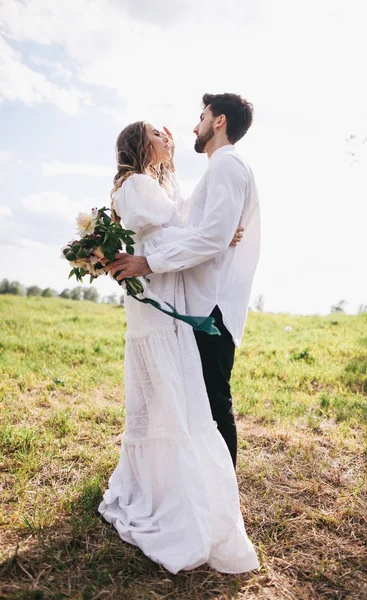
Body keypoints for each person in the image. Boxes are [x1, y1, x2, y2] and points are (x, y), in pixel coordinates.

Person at [98, 116, 259, 575]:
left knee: (175, 391)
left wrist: (217, 231)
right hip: (158, 297)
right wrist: (216, 234)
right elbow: (173, 231)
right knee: (170, 389)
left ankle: (175, 486)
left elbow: (181, 221)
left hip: (164, 290)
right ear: (136, 144)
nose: (166, 135)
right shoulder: (134, 185)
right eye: (155, 133)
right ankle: (170, 492)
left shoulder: (152, 186)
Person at [106, 93, 261, 468]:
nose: (195, 125)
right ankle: (208, 483)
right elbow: (197, 225)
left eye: (202, 116)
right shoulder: (219, 168)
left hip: (212, 304)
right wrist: (218, 233)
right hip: (199, 300)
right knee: (201, 400)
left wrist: (150, 261)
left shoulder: (226, 166)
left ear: (219, 121)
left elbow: (207, 235)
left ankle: (221, 492)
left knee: (212, 401)